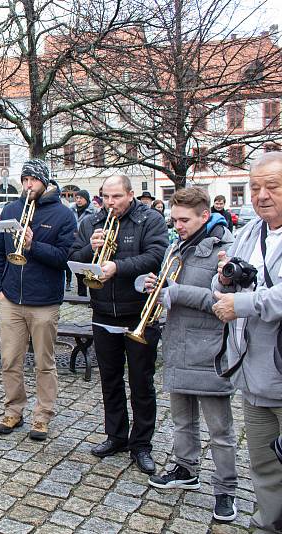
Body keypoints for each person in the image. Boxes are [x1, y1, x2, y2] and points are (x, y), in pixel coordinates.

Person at [143, 188, 238, 522]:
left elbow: (222, 300)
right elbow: (171, 286)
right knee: (182, 419)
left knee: (220, 431)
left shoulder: (222, 250)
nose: (178, 225)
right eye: (175, 219)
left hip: (210, 349)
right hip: (178, 341)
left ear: (203, 215)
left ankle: (226, 490)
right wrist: (157, 284)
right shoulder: (177, 245)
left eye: (184, 220)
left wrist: (175, 291)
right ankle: (186, 468)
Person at [69, 175, 168, 474]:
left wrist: (117, 267)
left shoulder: (149, 219)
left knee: (141, 382)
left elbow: (156, 256)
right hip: (102, 312)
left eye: (117, 197)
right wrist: (90, 247)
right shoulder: (91, 222)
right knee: (109, 380)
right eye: (106, 197)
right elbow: (74, 258)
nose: (111, 203)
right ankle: (116, 436)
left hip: (138, 312)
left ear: (130, 194)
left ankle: (141, 444)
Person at [211, 152, 282, 533]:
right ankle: (267, 523)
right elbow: (222, 284)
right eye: (255, 187)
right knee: (263, 463)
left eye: (273, 186)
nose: (262, 195)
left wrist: (242, 302)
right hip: (253, 374)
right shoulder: (249, 232)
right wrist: (223, 281)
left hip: (280, 370)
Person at [0, 160, 76, 440]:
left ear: (45, 181)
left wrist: (32, 245)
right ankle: (13, 411)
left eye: (33, 180)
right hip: (11, 299)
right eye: (24, 179)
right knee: (10, 360)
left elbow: (65, 258)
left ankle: (42, 416)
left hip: (44, 301)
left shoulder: (64, 215)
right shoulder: (11, 209)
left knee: (44, 363)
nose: (28, 185)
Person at [69, 189, 96, 295]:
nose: (78, 200)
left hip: (88, 243)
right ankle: (82, 294)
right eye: (77, 198)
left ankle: (93, 294)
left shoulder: (94, 212)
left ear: (86, 199)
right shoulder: (71, 210)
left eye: (81, 198)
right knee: (78, 271)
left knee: (90, 271)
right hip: (75, 243)